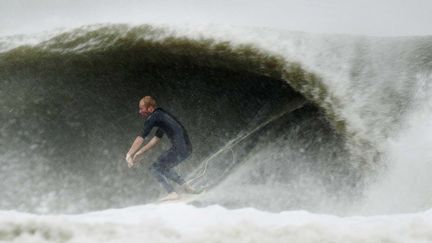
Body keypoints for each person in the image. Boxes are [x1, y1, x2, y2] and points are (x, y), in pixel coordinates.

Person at [126, 96, 198, 201]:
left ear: (150, 108)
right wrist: (139, 153)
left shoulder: (154, 117)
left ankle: (172, 193)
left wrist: (129, 154)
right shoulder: (162, 116)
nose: (140, 111)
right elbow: (155, 139)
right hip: (187, 148)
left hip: (180, 148)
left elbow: (141, 137)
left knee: (154, 168)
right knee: (162, 167)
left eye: (142, 108)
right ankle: (186, 187)